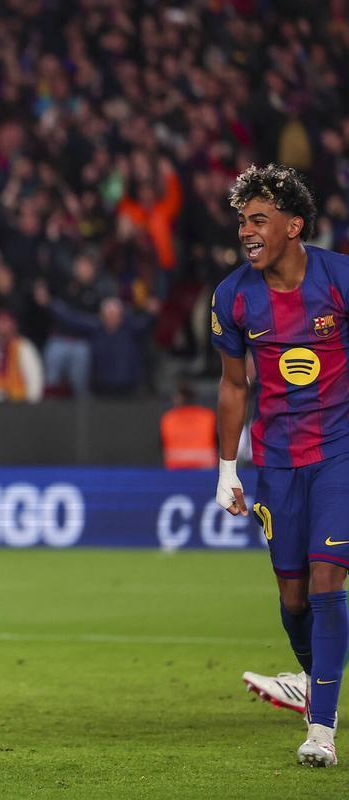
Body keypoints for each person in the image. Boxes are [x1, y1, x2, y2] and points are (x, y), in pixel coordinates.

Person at [212, 163, 347, 767]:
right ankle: (314, 681)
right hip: (275, 462)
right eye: (242, 221)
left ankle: (321, 729)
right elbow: (232, 386)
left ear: (294, 226)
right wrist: (225, 471)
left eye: (259, 219)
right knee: (292, 597)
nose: (247, 231)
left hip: (339, 453)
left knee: (325, 582)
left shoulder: (339, 278)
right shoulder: (234, 295)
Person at [159, 382, 217, 470]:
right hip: (205, 470)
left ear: (179, 398)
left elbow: (161, 444)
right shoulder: (208, 416)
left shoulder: (168, 418)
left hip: (175, 471)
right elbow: (219, 443)